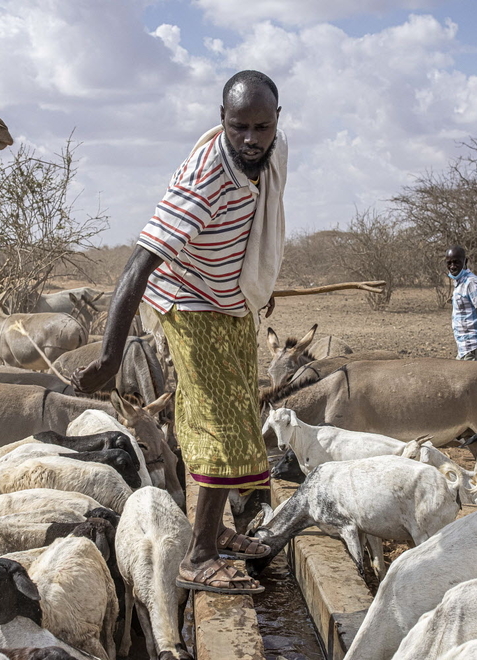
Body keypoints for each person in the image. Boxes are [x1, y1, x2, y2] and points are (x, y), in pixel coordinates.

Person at [71, 70, 286, 596]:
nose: (252, 139)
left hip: (229, 297)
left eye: (262, 126)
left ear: (277, 120)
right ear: (222, 121)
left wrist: (259, 278)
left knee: (232, 406)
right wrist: (108, 358)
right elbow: (135, 268)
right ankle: (199, 556)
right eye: (240, 127)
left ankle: (215, 531)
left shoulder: (268, 155)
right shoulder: (205, 180)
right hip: (189, 300)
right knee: (218, 418)